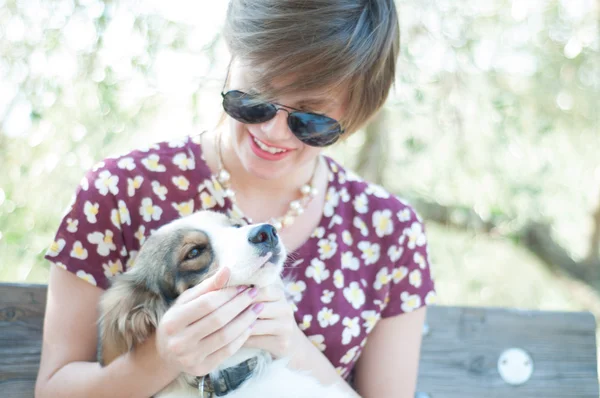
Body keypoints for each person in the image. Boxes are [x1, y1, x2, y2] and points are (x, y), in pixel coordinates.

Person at [35, 1, 437, 397]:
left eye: (310, 118)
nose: (274, 132)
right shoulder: (120, 190)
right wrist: (165, 356)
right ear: (232, 56)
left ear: (355, 115)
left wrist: (291, 344)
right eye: (257, 98)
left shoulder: (389, 231)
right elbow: (54, 390)